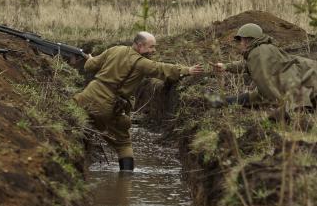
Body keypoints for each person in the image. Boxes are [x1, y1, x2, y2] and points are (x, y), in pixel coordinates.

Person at [74, 31, 204, 171]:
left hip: (87, 95)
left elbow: (89, 66)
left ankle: (74, 154)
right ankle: (126, 179)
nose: (153, 50)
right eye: (151, 47)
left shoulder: (114, 49)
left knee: (73, 119)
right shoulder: (141, 63)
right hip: (109, 104)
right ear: (140, 45)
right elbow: (161, 68)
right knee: (123, 143)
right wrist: (188, 70)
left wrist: (90, 58)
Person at [210, 23, 317, 114]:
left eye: (241, 41)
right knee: (255, 97)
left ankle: (220, 101)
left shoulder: (258, 53)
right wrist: (226, 66)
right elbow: (248, 66)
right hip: (308, 77)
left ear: (247, 40)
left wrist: (281, 107)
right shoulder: (263, 49)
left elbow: (268, 86)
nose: (240, 44)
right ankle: (221, 101)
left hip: (307, 83)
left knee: (259, 97)